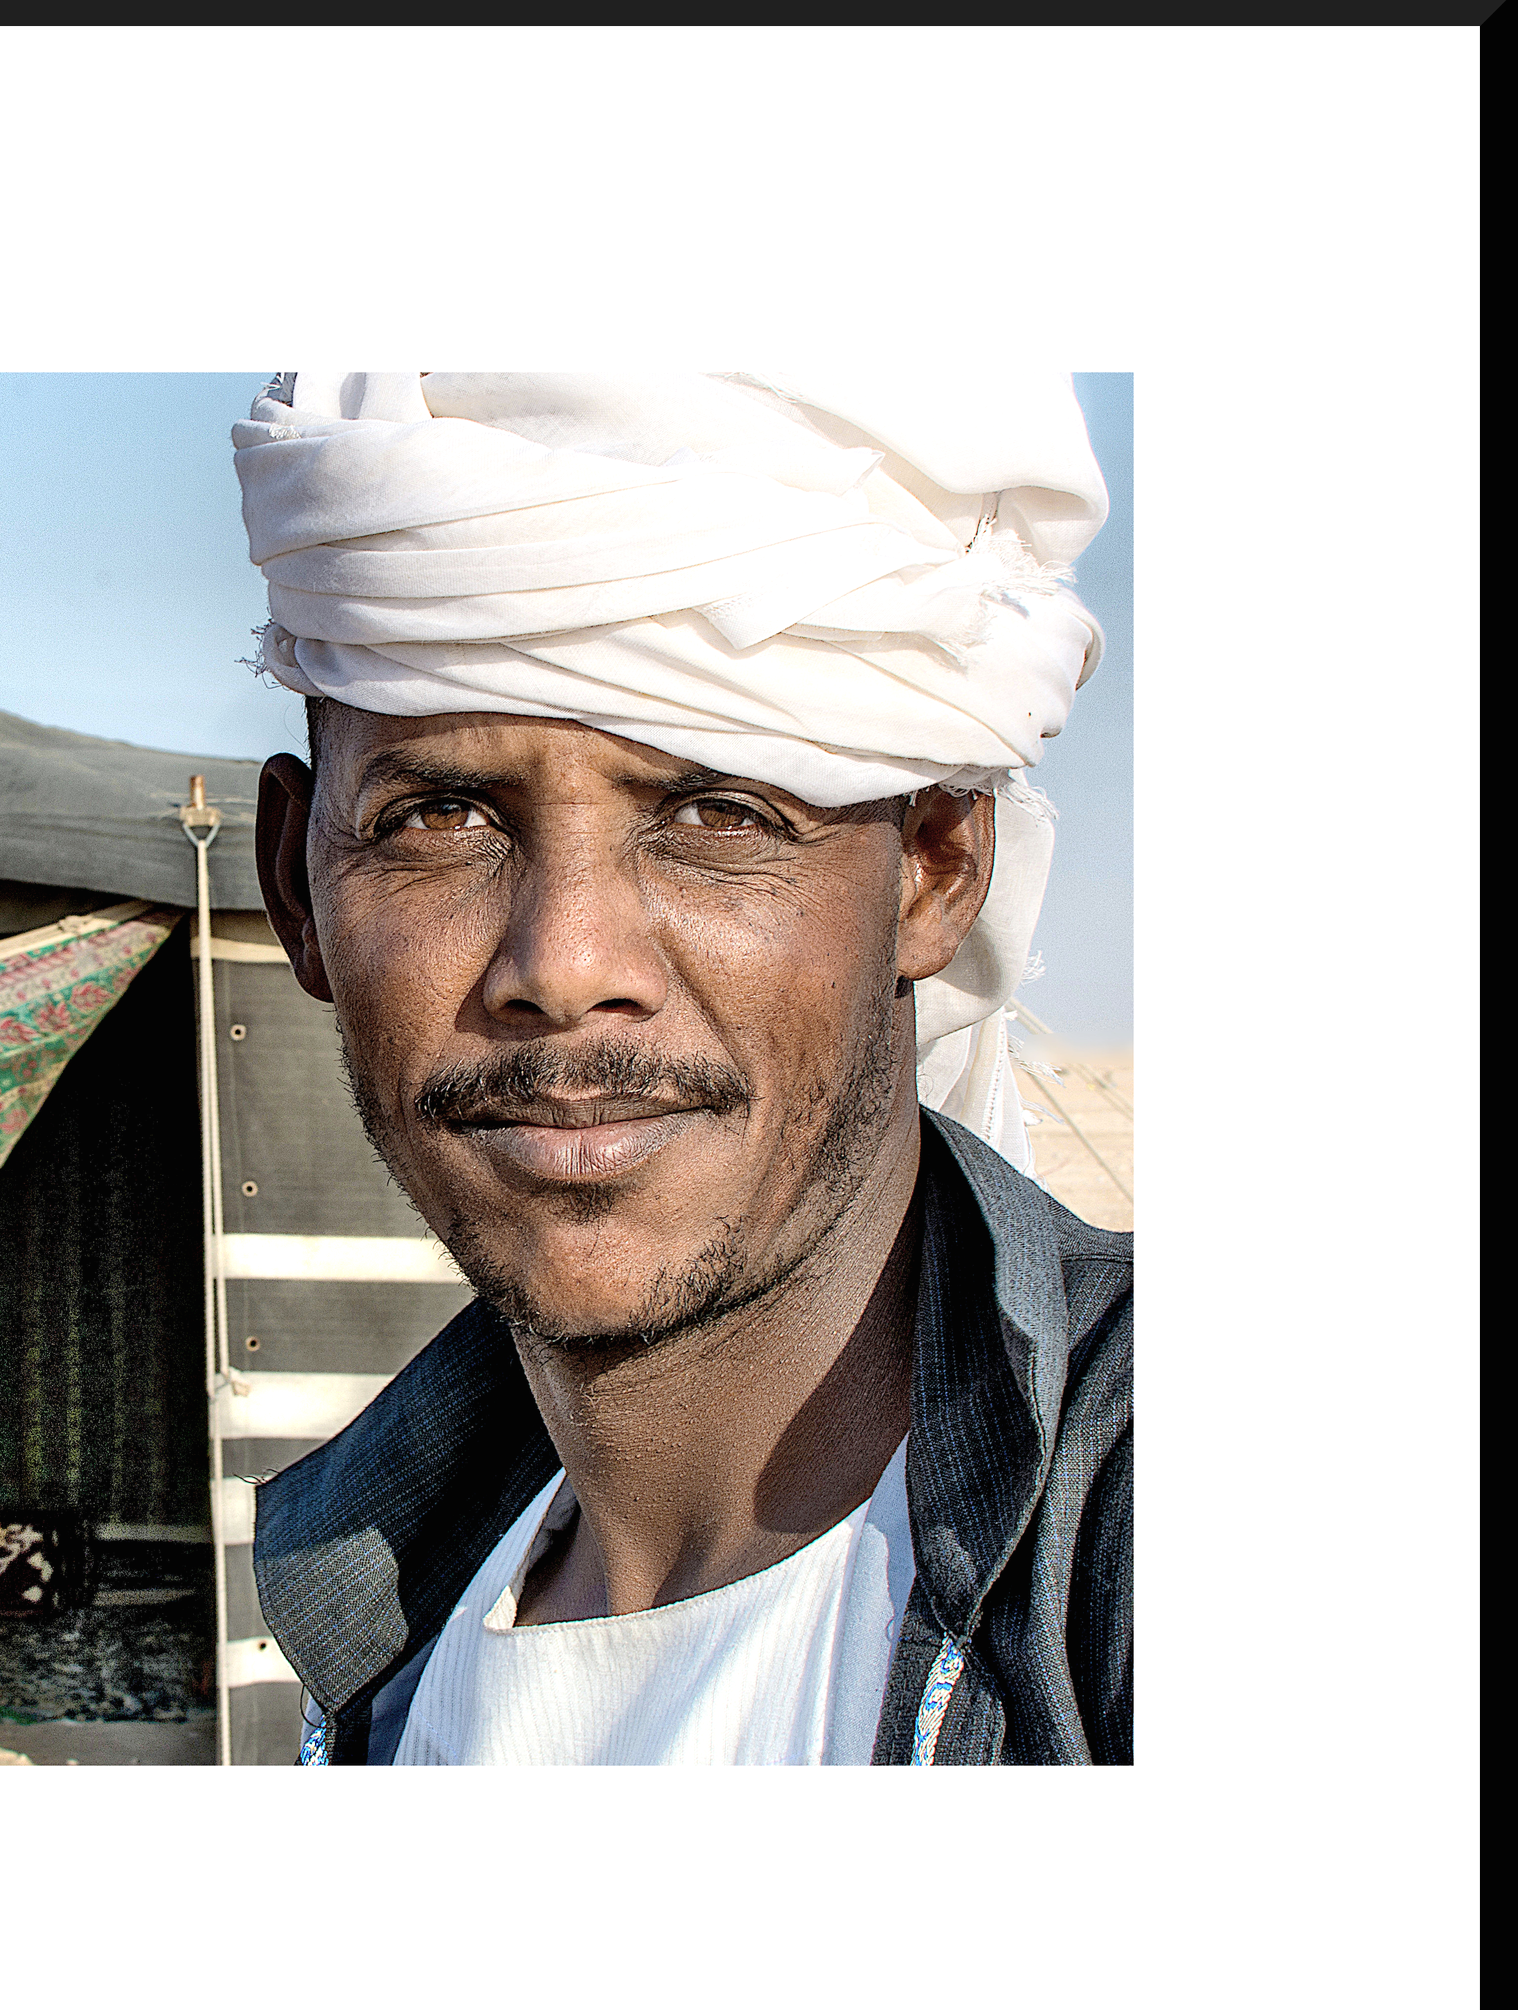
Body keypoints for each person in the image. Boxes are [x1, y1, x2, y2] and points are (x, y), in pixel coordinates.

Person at [235, 372, 1131, 1765]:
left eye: (719, 811)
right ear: (299, 885)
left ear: (936, 866)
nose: (566, 958)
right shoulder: (391, 1611)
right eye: (444, 813)